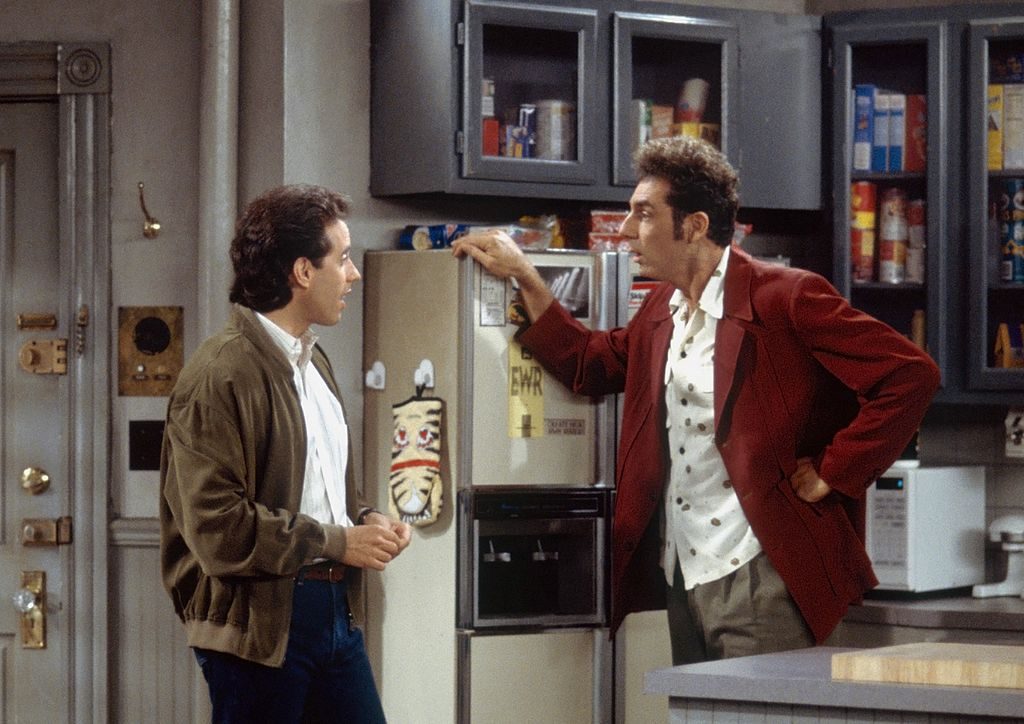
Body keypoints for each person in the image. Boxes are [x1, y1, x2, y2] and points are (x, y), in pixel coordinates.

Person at [452, 136, 940, 665]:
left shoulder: (788, 296)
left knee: (760, 711)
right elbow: (589, 363)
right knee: (694, 708)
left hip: (762, 572)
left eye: (644, 214)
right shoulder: (663, 308)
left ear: (695, 226)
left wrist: (834, 470)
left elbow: (910, 375)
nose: (625, 229)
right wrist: (526, 276)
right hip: (682, 573)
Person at [160, 184, 411, 722]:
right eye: (342, 259)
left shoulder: (313, 364)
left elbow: (319, 489)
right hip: (259, 630)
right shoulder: (219, 374)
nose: (353, 274)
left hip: (336, 616)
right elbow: (217, 529)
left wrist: (365, 519)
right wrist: (339, 541)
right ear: (302, 271)